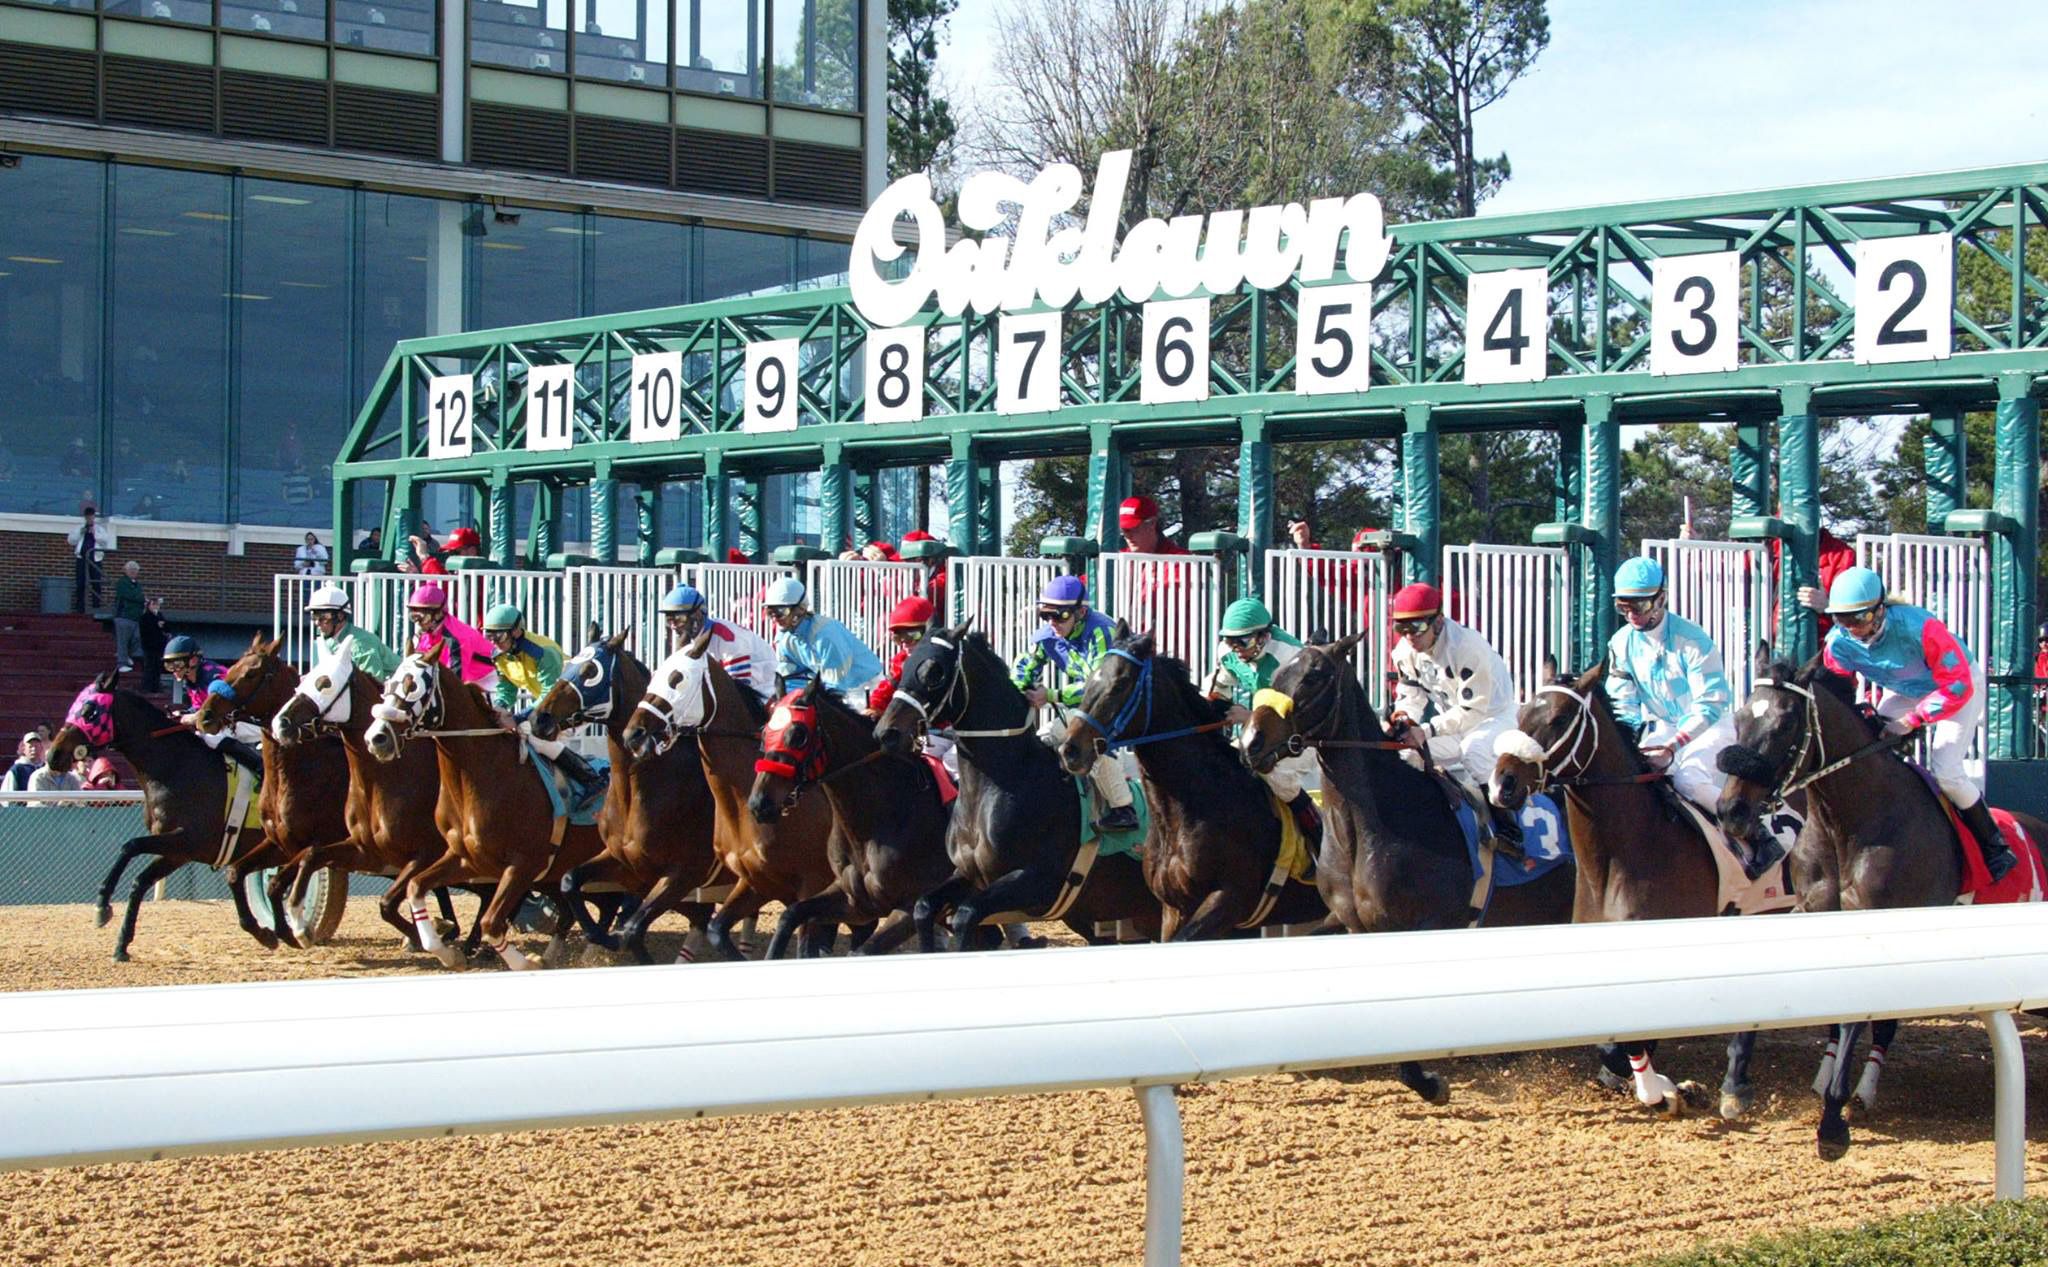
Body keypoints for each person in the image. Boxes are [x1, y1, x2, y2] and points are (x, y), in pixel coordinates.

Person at [1818, 566, 2015, 882]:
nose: (1852, 628)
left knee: (1947, 771)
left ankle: (1994, 845)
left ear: (1881, 609)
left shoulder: (1919, 627)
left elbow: (1958, 684)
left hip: (1959, 685)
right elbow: (1839, 690)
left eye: (1861, 619)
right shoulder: (1838, 644)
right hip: (1908, 690)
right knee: (1871, 745)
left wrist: (1913, 720)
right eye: (1843, 620)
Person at [1604, 557, 1770, 876]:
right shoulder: (1620, 643)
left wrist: (1672, 746)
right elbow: (1622, 704)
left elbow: (1708, 704)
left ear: (1661, 598)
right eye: (1623, 607)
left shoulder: (1692, 638)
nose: (1631, 615)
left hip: (1709, 725)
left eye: (1638, 605)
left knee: (1687, 779)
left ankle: (1755, 835)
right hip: (1663, 728)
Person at [1385, 583, 1525, 849]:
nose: (1409, 636)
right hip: (1453, 722)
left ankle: (1509, 829)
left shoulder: (1468, 647)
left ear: (1438, 621)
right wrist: (1402, 719)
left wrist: (1425, 731)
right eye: (1401, 628)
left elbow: (1473, 711)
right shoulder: (1405, 653)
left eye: (1416, 628)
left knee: (1474, 751)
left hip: (1496, 718)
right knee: (1406, 754)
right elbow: (1412, 698)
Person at [1010, 575, 1138, 832]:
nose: (1052, 623)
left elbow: (1100, 686)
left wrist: (1052, 695)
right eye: (1045, 615)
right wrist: (1016, 691)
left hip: (1118, 703)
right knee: (1045, 738)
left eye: (1060, 616)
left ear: (1081, 611)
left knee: (1070, 736)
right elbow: (1024, 667)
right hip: (1089, 706)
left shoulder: (1102, 631)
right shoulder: (1048, 635)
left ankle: (1124, 809)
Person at [1204, 597, 1320, 841]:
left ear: (1264, 636)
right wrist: (1213, 704)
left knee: (1274, 774)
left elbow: (1298, 713)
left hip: (1302, 733)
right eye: (1228, 640)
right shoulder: (1228, 653)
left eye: (1241, 641)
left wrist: (1247, 717)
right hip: (1265, 731)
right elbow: (1220, 686)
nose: (1234, 647)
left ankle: (1317, 835)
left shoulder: (1289, 657)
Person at [479, 603, 604, 802]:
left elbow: (548, 693)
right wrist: (500, 708)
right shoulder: (499, 655)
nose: (493, 642)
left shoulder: (543, 652)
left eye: (499, 636)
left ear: (516, 631)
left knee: (537, 737)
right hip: (550, 707)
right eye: (489, 636)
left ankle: (592, 779)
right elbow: (507, 689)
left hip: (574, 704)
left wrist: (518, 717)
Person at [866, 595, 959, 777]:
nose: (904, 643)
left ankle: (952, 802)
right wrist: (874, 707)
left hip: (949, 730)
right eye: (898, 637)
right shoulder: (902, 661)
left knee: (933, 753)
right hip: (921, 728)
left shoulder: (945, 660)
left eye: (912, 636)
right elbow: (887, 688)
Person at [762, 577, 884, 703]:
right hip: (835, 685)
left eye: (781, 611)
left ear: (800, 609)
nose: (775, 618)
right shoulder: (784, 636)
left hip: (864, 687)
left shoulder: (826, 634)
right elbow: (789, 676)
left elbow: (836, 685)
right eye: (770, 612)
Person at [162, 636, 263, 772]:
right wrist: (185, 713)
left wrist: (194, 717)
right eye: (169, 665)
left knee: (211, 737)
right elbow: (199, 707)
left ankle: (260, 768)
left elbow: (222, 706)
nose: (174, 670)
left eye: (177, 664)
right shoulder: (190, 681)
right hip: (228, 721)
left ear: (193, 660)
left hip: (250, 720)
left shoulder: (213, 674)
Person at [657, 583, 775, 697]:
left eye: (678, 618)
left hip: (764, 690)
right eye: (669, 619)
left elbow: (737, 692)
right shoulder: (691, 637)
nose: (673, 626)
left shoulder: (727, 640)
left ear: (697, 614)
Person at [406, 583, 499, 689]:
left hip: (489, 678)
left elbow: (455, 680)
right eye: (414, 617)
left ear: (438, 613)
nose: (418, 623)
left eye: (424, 618)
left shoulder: (457, 639)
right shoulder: (423, 634)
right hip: (469, 679)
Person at [304, 585, 399, 682]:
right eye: (314, 616)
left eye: (323, 617)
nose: (317, 622)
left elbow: (372, 685)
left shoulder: (360, 645)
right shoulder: (328, 642)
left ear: (340, 616)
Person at [67, 505, 112, 613]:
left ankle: (96, 606)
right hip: (81, 558)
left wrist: (94, 533)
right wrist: (80, 533)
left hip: (95, 559)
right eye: (87, 517)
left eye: (91, 517)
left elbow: (105, 541)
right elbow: (71, 541)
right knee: (80, 582)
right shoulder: (79, 528)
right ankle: (80, 607)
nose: (89, 519)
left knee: (96, 582)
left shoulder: (100, 529)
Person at [1117, 495, 1188, 555]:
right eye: (1124, 530)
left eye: (1134, 528)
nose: (1128, 536)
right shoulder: (1121, 558)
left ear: (1152, 523)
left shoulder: (1179, 560)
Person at [112, 560, 145, 673]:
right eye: (131, 570)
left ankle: (128, 656)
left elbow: (138, 596)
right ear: (125, 571)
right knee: (123, 641)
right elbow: (131, 596)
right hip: (124, 616)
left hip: (135, 617)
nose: (133, 572)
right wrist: (142, 599)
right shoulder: (122, 582)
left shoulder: (137, 584)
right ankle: (121, 663)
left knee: (136, 638)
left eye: (135, 570)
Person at [409, 524, 481, 575]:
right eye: (449, 552)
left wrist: (424, 556)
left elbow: (445, 587)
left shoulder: (481, 574)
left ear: (472, 551)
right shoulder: (455, 573)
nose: (451, 556)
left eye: (455, 552)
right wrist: (416, 576)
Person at [138, 597, 168, 694]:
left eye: (157, 605)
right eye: (153, 605)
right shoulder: (145, 617)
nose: (156, 607)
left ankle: (156, 686)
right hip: (149, 646)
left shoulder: (160, 616)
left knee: (157, 666)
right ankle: (147, 687)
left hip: (159, 646)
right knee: (149, 666)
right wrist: (156, 625)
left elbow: (167, 627)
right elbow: (145, 631)